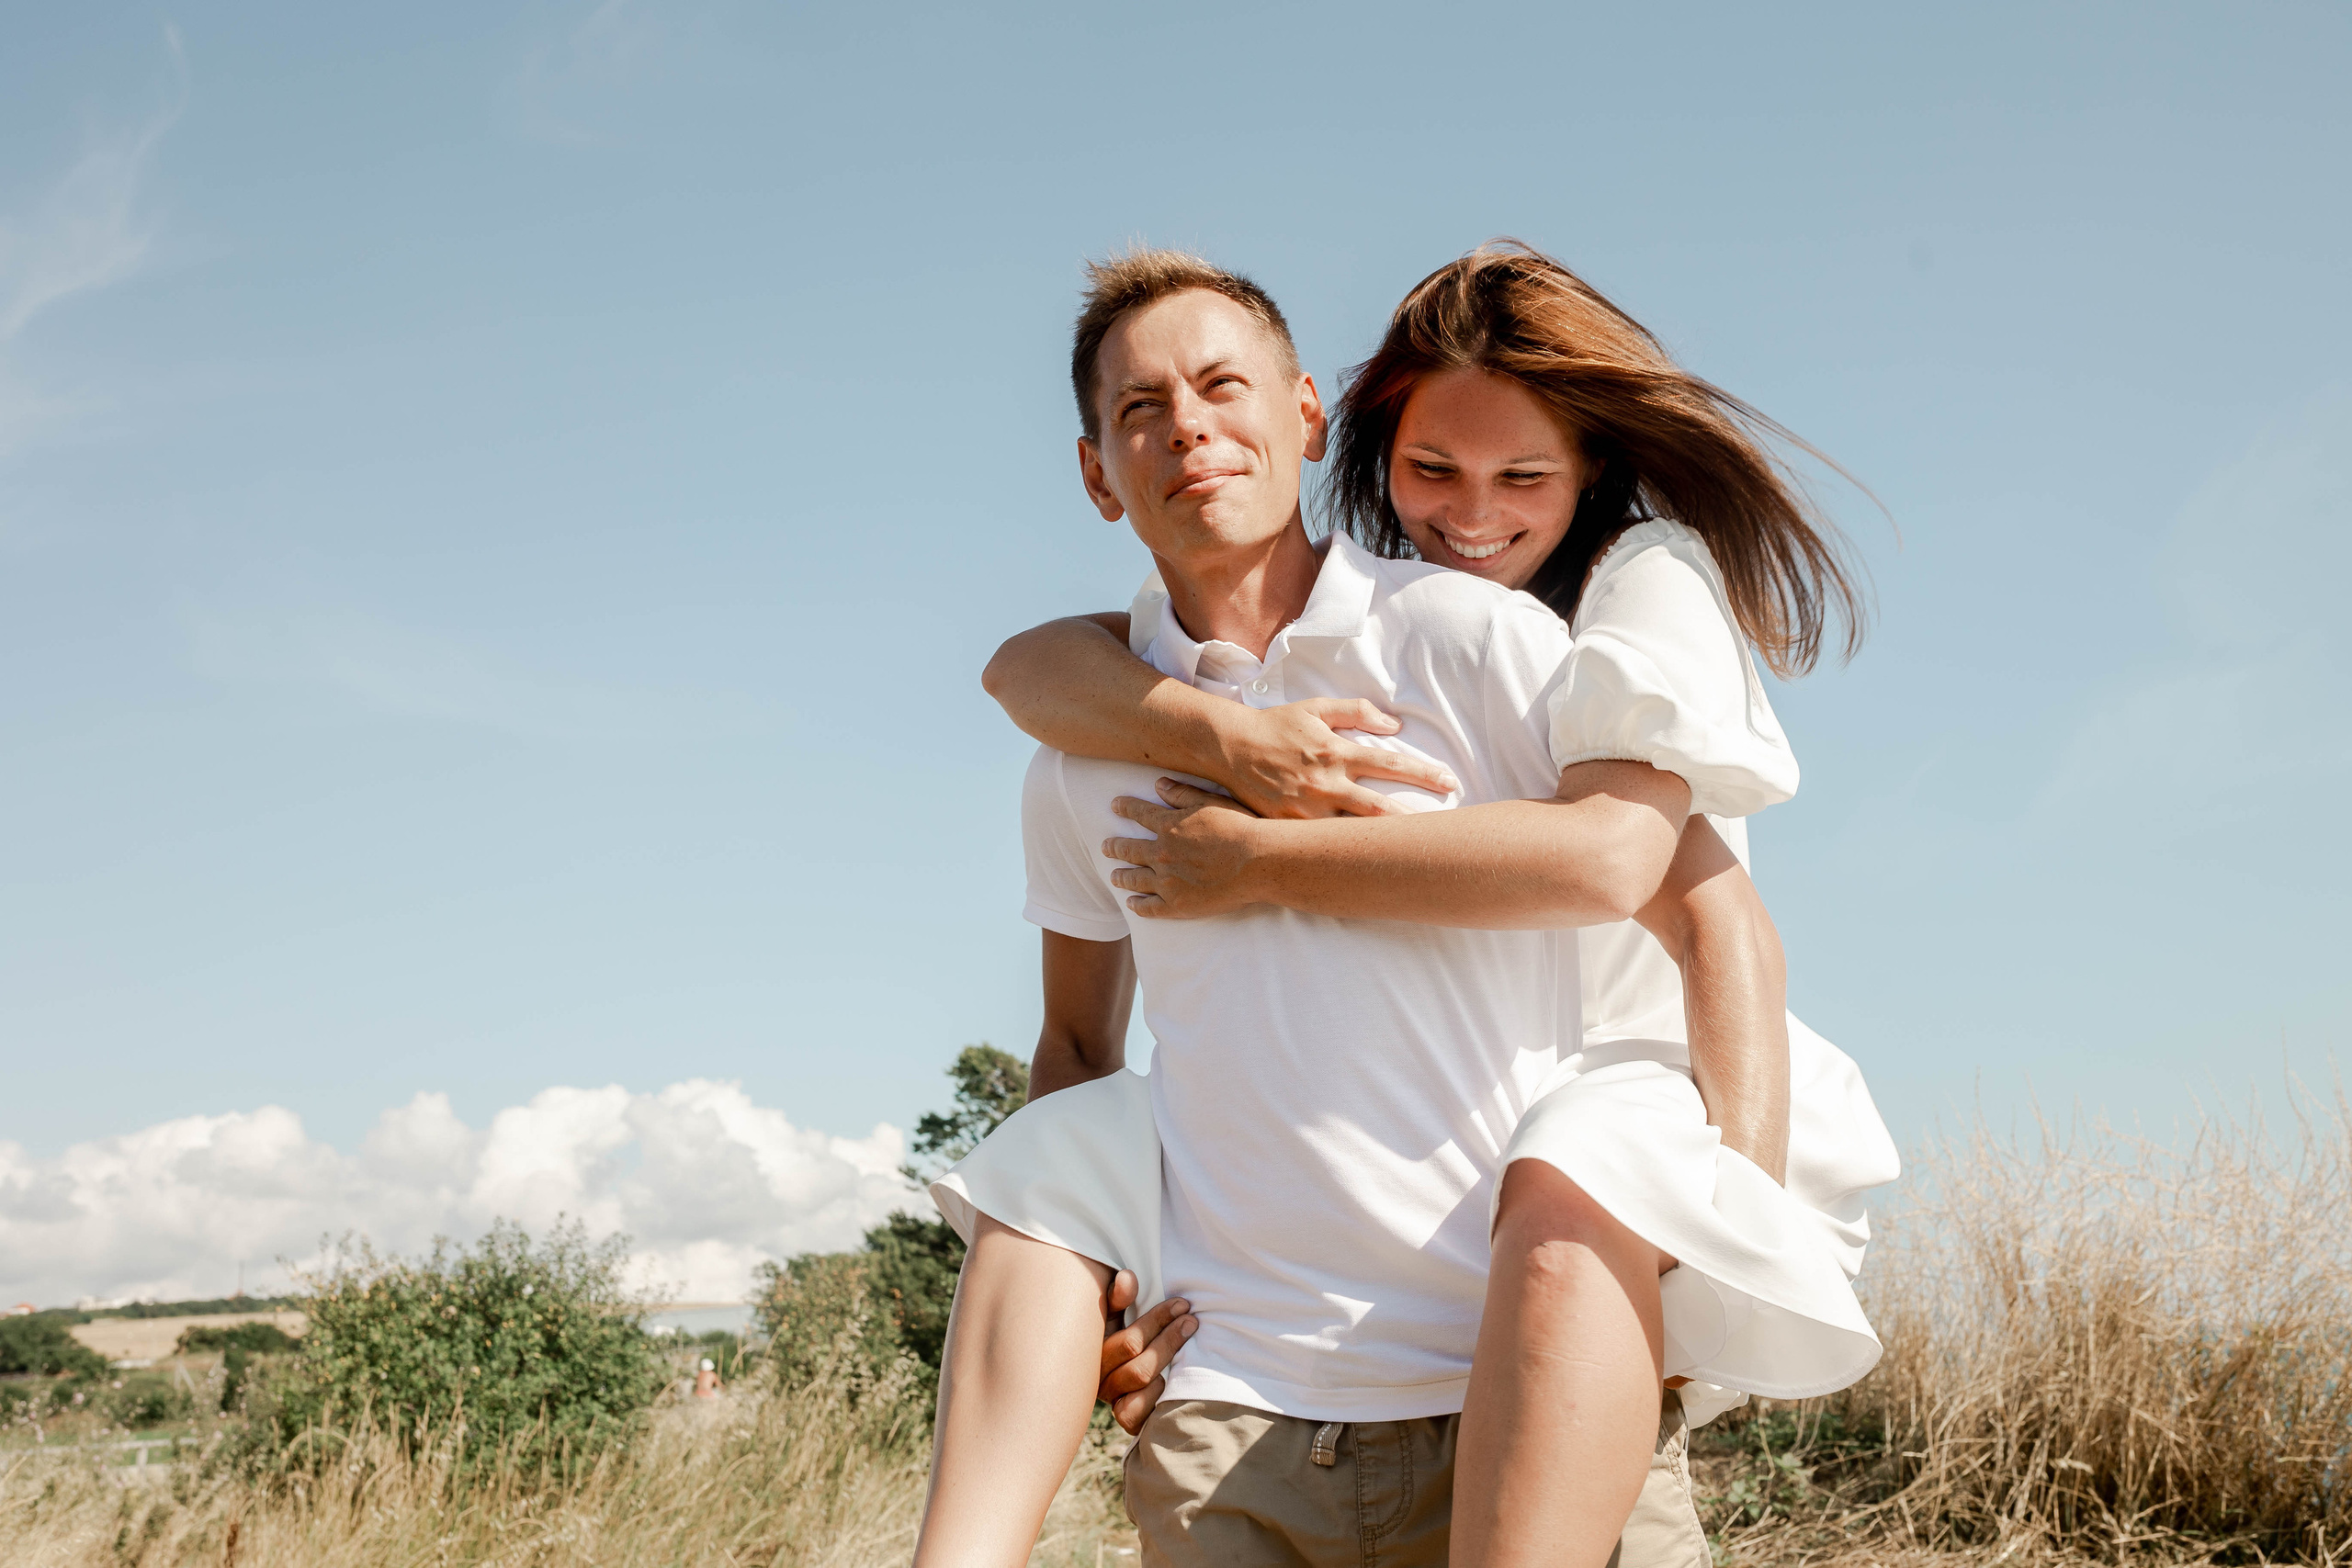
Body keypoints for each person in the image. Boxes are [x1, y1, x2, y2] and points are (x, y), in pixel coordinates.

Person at [918, 246, 1895, 1568]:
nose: (1188, 428)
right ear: (1097, 470)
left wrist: (1712, 1273)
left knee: (1584, 1165)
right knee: (1044, 1160)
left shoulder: (1515, 634)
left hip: (1521, 1380)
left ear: (1304, 414)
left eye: (1222, 386)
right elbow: (1079, 1054)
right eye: (1141, 409)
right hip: (1233, 1421)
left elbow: (1698, 910)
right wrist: (1108, 1295)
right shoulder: (1087, 743)